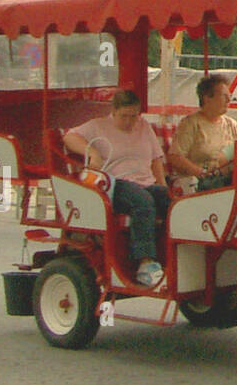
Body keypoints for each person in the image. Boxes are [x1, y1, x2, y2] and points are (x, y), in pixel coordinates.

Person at [65, 89, 169, 288]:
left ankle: (171, 257)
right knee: (143, 202)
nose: (130, 121)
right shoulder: (98, 126)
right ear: (114, 111)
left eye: (133, 116)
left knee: (170, 201)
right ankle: (144, 263)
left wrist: (162, 186)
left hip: (146, 183)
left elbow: (156, 158)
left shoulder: (143, 126)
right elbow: (70, 137)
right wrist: (93, 153)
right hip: (116, 184)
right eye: (124, 116)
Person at [169, 75, 237, 192]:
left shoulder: (232, 125)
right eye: (224, 96)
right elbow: (175, 157)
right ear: (207, 98)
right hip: (201, 183)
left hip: (229, 180)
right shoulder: (190, 124)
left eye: (230, 96)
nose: (228, 100)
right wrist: (201, 173)